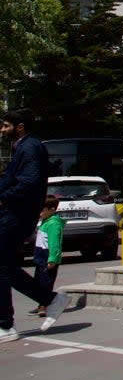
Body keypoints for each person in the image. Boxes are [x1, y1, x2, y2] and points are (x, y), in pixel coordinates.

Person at [0, 109, 69, 343]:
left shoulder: (30, 148)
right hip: (15, 214)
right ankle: (50, 300)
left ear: (20, 127)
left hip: (17, 215)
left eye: (5, 125)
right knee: (5, 267)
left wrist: (3, 197)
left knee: (1, 267)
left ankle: (6, 325)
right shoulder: (23, 147)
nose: (2, 129)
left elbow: (28, 182)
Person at [31, 195, 64, 317]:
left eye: (42, 210)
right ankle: (42, 304)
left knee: (45, 283)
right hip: (40, 257)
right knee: (38, 282)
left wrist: (52, 259)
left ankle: (45, 305)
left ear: (52, 210)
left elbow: (54, 243)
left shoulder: (53, 224)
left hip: (48, 258)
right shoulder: (45, 221)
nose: (40, 213)